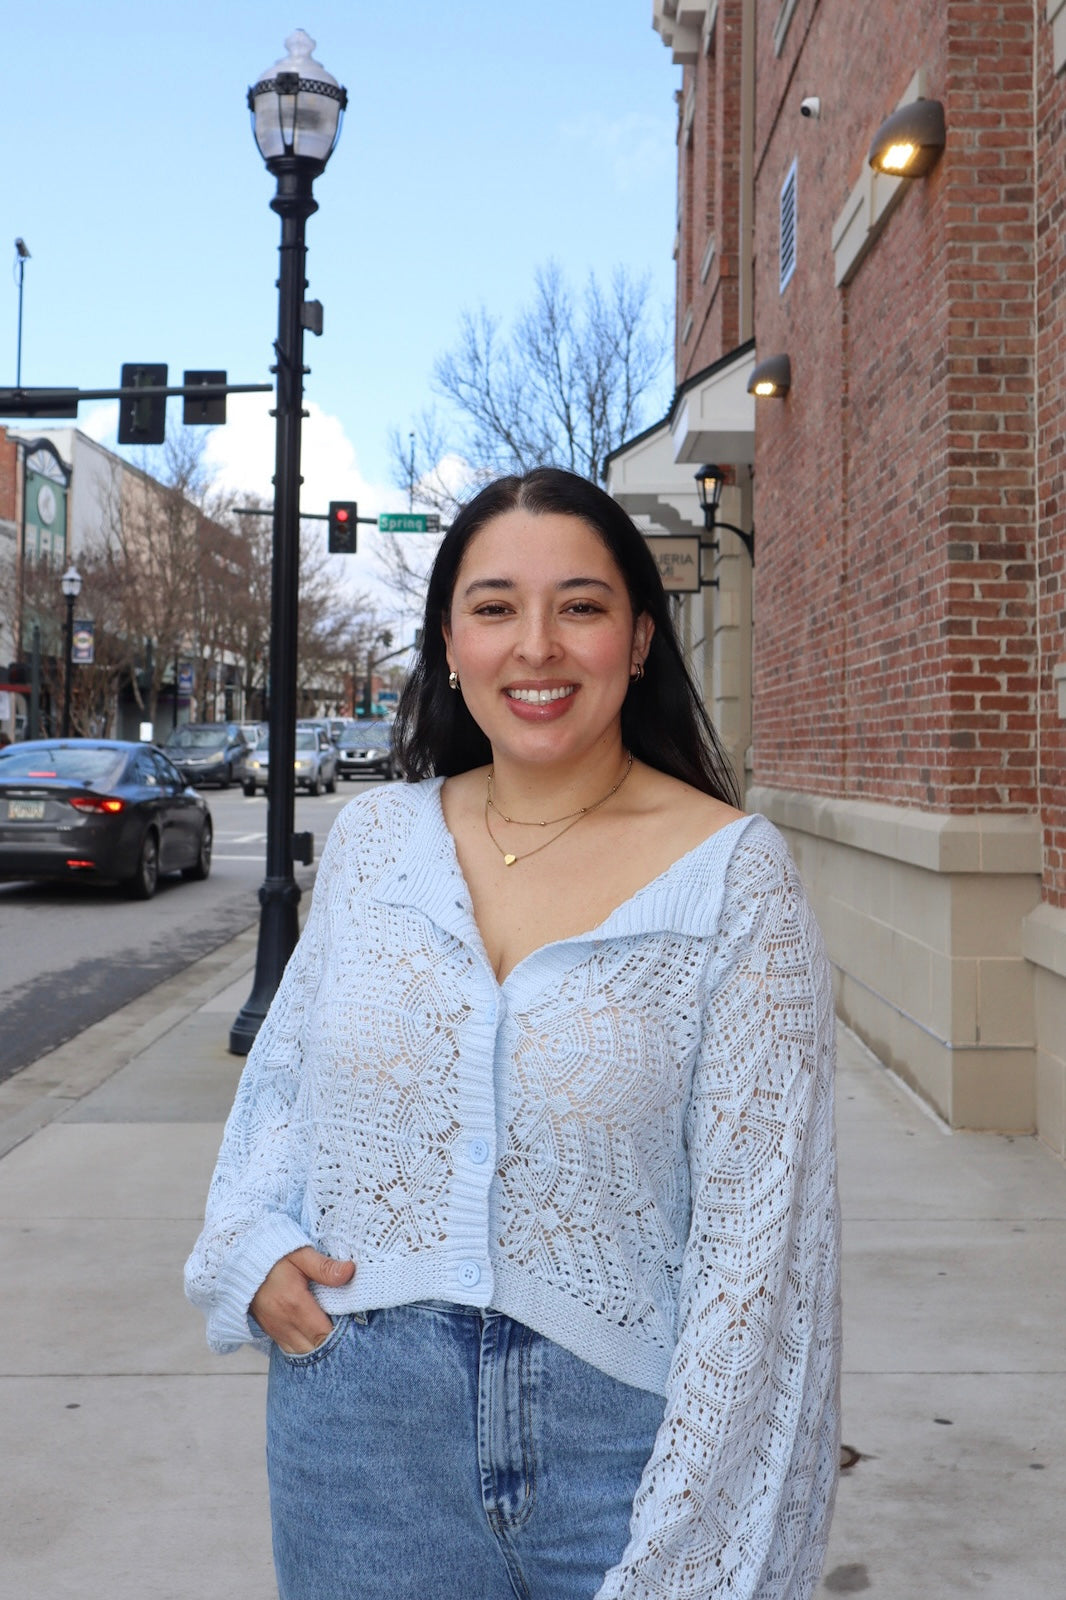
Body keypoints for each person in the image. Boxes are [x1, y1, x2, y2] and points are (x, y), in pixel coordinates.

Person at [185, 467, 840, 1600]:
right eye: (494, 607)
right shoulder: (375, 841)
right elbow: (283, 1085)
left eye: (579, 606)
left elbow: (761, 1248)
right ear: (449, 640)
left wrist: (697, 1530)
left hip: (624, 1445)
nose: (535, 645)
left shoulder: (733, 876)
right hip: (359, 1434)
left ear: (638, 639)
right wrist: (247, 1249)